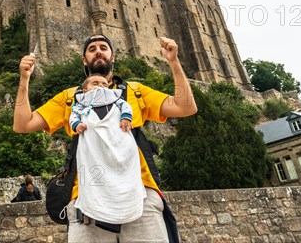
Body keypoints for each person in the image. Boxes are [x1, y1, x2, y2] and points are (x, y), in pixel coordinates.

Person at [14, 35, 197, 242]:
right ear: (84, 60)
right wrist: (24, 79)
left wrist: (173, 62)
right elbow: (23, 125)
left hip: (140, 196)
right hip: (87, 200)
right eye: (92, 48)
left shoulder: (135, 91)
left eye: (103, 47)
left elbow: (186, 107)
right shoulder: (70, 97)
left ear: (113, 57)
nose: (98, 51)